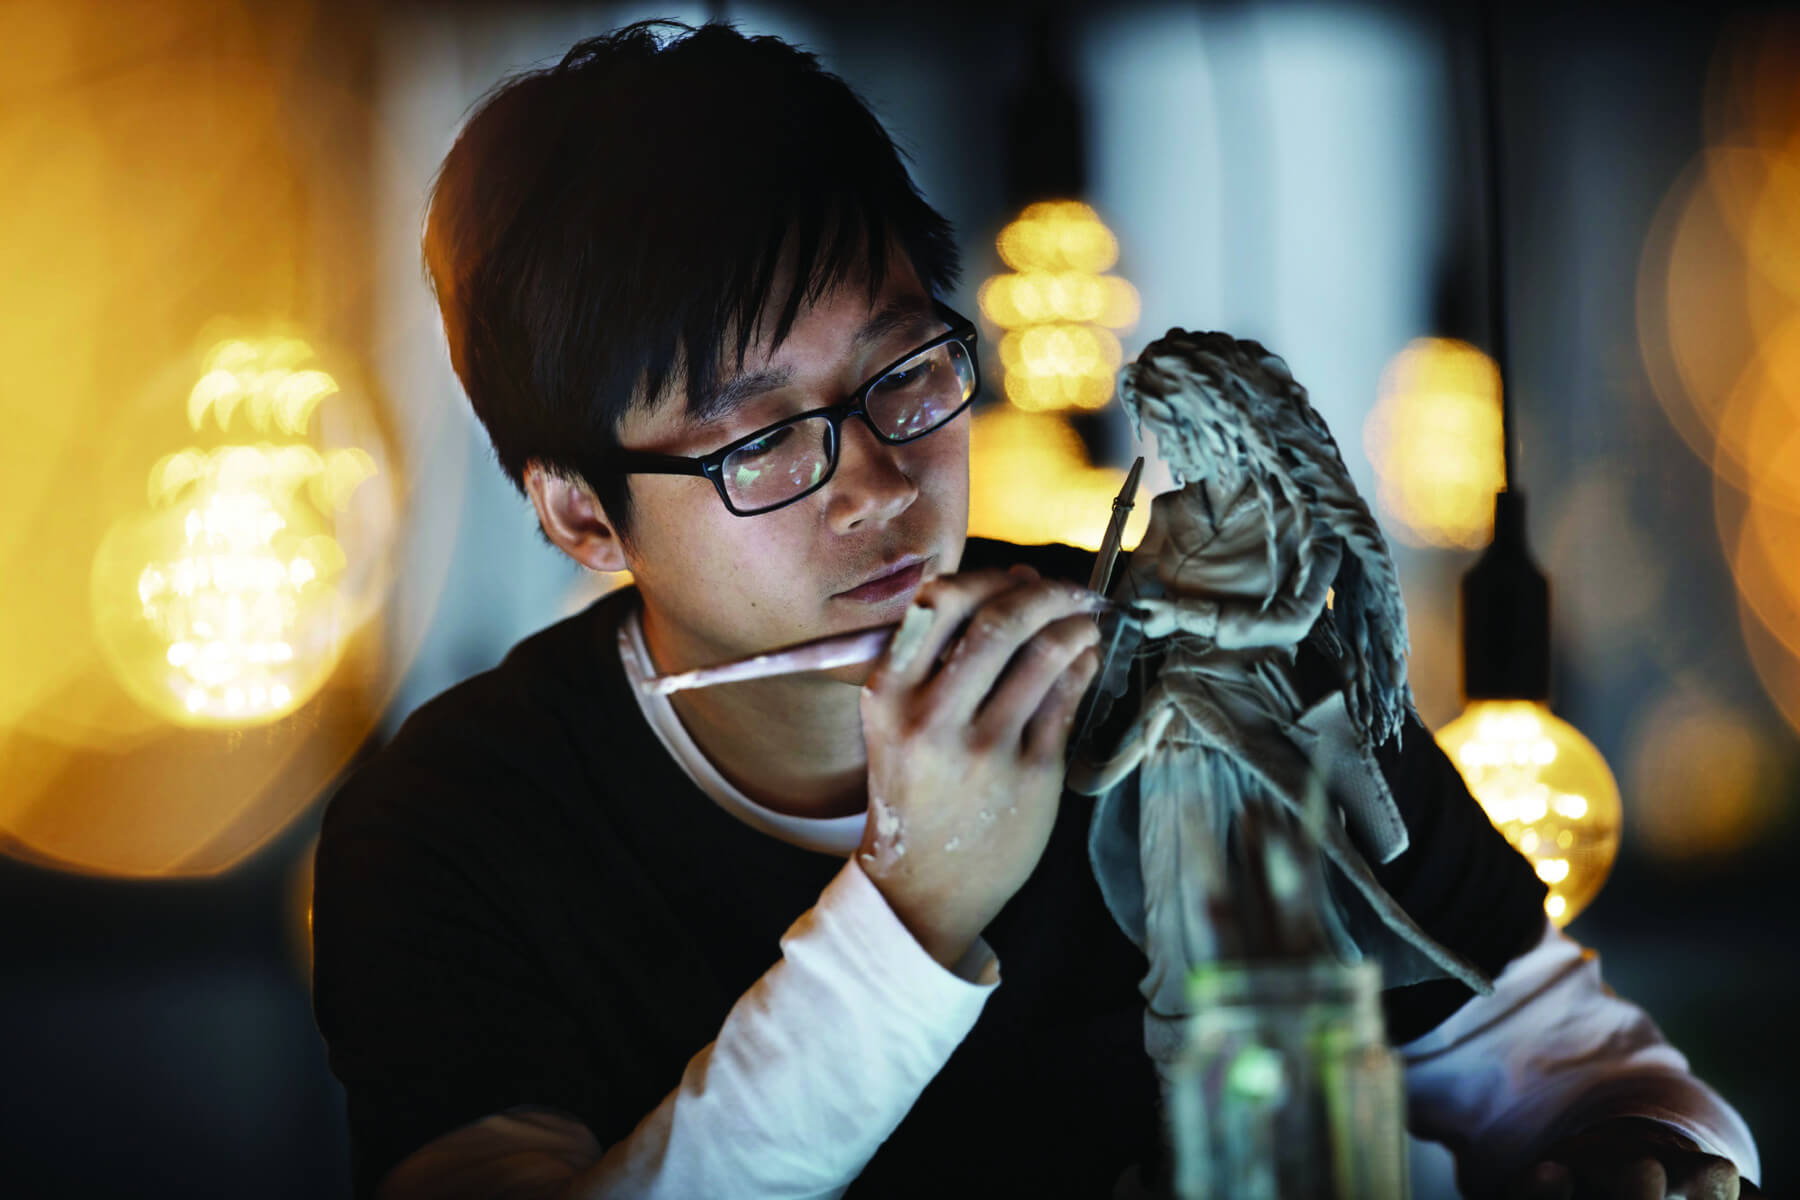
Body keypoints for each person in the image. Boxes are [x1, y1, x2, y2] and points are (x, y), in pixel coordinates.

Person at [310, 20, 1761, 1200]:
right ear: (578, 510)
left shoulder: (1204, 662)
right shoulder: (451, 824)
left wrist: (1646, 1153)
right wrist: (915, 897)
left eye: (906, 376)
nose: (875, 484)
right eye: (758, 441)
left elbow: (1576, 1064)